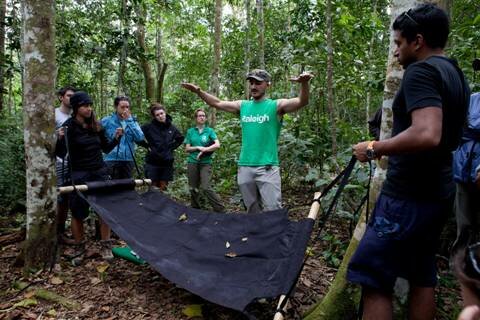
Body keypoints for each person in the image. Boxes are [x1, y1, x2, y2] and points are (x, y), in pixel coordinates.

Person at [348, 4, 469, 319]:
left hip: (407, 196)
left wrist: (374, 147)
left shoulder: (421, 71)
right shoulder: (454, 72)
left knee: (372, 274)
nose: (397, 51)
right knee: (420, 272)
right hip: (438, 193)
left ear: (418, 41)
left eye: (399, 43)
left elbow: (427, 133)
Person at [182, 69, 313, 213]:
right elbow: (217, 103)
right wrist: (199, 91)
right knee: (251, 209)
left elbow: (302, 101)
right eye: (251, 83)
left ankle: (274, 236)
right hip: (245, 167)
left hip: (267, 167)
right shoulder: (243, 106)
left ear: (268, 84)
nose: (253, 86)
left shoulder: (276, 105)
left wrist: (304, 84)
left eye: (258, 83)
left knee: (273, 210)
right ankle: (256, 235)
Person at [56, 91, 123, 265]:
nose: (89, 109)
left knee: (104, 210)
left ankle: (105, 245)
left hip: (99, 171)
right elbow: (61, 154)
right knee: (78, 212)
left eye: (90, 105)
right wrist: (59, 139)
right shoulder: (68, 127)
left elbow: (106, 149)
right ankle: (80, 248)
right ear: (77, 107)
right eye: (85, 106)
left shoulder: (96, 126)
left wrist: (116, 138)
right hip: (79, 174)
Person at [184, 108, 224, 212]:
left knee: (206, 187)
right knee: (193, 187)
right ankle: (195, 208)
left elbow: (217, 144)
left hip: (206, 163)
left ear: (205, 118)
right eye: (199, 116)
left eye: (203, 116)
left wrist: (205, 150)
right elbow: (187, 148)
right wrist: (198, 148)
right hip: (192, 162)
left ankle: (220, 209)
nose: (202, 117)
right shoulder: (191, 131)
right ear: (195, 118)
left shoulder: (209, 131)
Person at [141, 103, 184, 190]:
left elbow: (180, 139)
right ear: (154, 116)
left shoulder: (172, 128)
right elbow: (137, 135)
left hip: (166, 162)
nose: (160, 116)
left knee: (163, 188)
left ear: (165, 112)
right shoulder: (148, 127)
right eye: (157, 115)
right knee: (152, 188)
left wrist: (171, 148)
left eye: (161, 113)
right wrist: (146, 146)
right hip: (153, 162)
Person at [101, 96, 145, 179]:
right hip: (111, 160)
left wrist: (129, 121)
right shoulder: (106, 121)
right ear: (116, 107)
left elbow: (140, 137)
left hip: (128, 160)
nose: (125, 110)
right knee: (111, 188)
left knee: (126, 188)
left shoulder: (133, 122)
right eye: (122, 107)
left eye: (127, 107)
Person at [55, 85, 75, 244]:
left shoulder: (76, 115)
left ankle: (62, 231)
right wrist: (57, 135)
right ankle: (56, 232)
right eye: (69, 95)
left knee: (69, 197)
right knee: (60, 197)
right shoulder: (54, 114)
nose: (71, 98)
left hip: (74, 162)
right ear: (61, 97)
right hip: (59, 161)